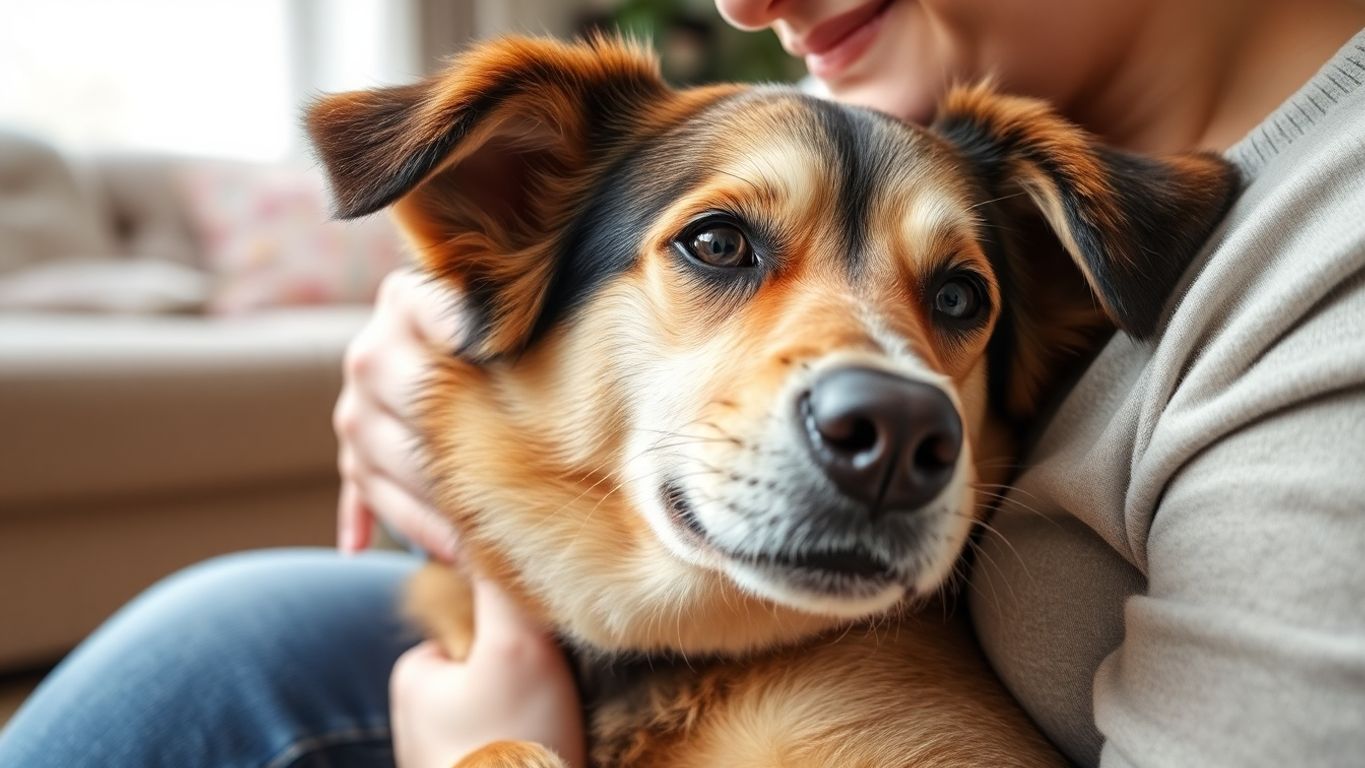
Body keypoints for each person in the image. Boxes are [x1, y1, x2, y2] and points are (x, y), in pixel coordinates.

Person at [2, 1, 1362, 765]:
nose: (743, 4)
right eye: (722, 246)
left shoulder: (1317, 273)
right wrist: (464, 325)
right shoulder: (992, 127)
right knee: (221, 631)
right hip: (577, 660)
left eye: (953, 301)